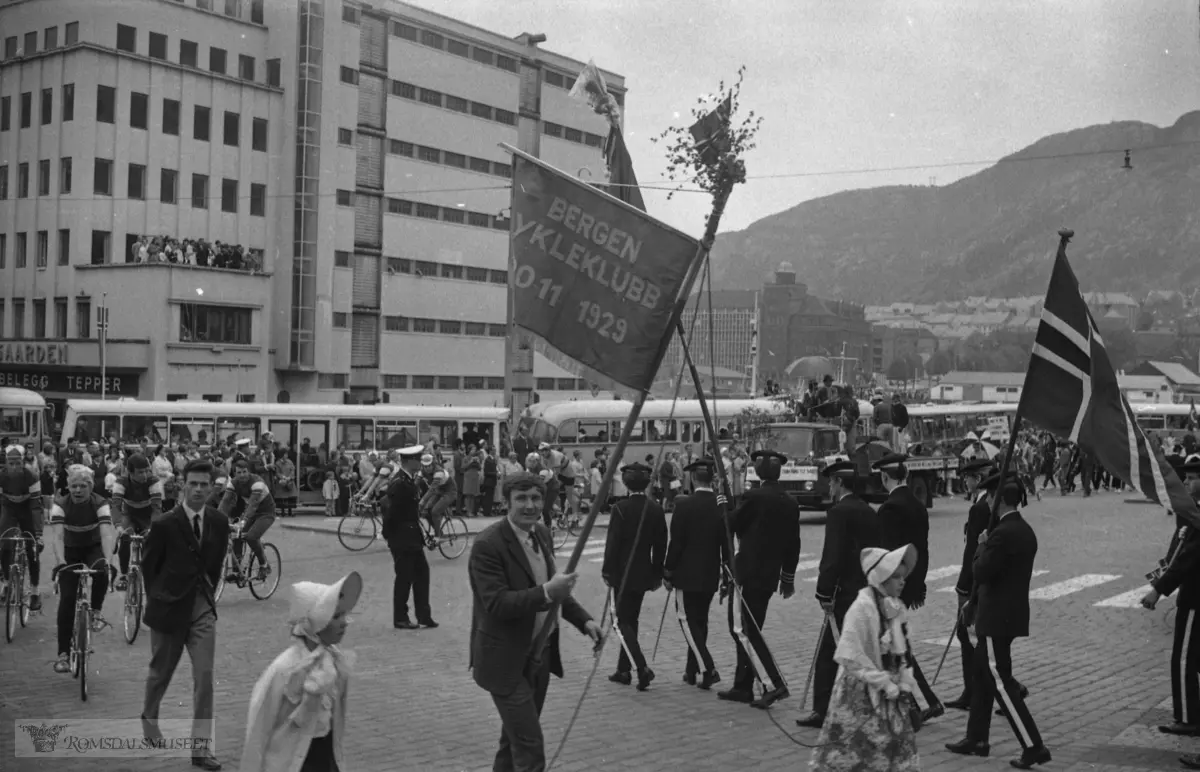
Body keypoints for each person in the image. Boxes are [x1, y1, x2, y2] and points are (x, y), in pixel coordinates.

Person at [468, 471, 602, 771]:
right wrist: (545, 592)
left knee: (514, 740)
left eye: (536, 498)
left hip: (538, 656)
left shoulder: (541, 534)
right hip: (505, 662)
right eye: (521, 499)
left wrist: (584, 621)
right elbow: (497, 603)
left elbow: (556, 591)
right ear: (507, 502)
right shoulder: (488, 545)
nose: (530, 505)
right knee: (529, 747)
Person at [947, 470, 1052, 769]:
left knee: (1000, 682)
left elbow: (981, 572)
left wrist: (982, 544)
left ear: (1000, 500)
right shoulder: (1023, 529)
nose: (988, 502)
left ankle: (1034, 745)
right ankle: (976, 739)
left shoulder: (1002, 534)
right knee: (982, 678)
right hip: (1006, 614)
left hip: (995, 617)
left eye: (991, 497)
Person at [140, 458, 228, 771]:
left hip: (202, 608)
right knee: (160, 672)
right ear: (183, 485)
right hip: (169, 609)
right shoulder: (165, 523)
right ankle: (149, 717)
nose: (199, 490)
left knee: (204, 676)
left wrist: (204, 593)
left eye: (205, 484)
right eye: (194, 483)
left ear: (212, 487)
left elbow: (215, 565)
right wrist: (161, 599)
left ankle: (201, 749)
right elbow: (148, 568)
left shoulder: (218, 521)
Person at [809, 544, 921, 771]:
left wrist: (902, 678)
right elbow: (850, 656)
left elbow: (900, 651)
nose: (902, 582)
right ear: (881, 578)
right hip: (860, 691)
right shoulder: (861, 609)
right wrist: (881, 680)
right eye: (896, 577)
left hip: (889, 690)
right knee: (854, 749)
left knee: (893, 746)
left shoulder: (894, 606)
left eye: (903, 576)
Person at [240, 572, 362, 772]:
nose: (345, 622)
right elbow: (258, 728)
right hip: (290, 762)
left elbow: (336, 724)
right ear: (315, 621)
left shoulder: (335, 662)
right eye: (336, 616)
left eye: (343, 615)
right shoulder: (284, 669)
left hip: (325, 758)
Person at [798, 460, 882, 729]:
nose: (829, 486)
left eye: (832, 482)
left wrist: (824, 590)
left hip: (844, 592)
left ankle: (822, 710)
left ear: (840, 483)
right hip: (866, 589)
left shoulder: (838, 512)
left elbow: (832, 556)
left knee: (829, 653)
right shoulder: (868, 511)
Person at [717, 449, 800, 710]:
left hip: (748, 573)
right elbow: (793, 544)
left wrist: (723, 505)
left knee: (742, 629)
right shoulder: (789, 501)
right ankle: (742, 685)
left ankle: (773, 683)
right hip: (769, 576)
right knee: (750, 629)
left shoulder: (754, 496)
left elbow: (731, 524)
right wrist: (787, 578)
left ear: (758, 472)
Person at [874, 452, 943, 722]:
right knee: (895, 645)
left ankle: (920, 703)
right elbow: (921, 549)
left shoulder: (890, 508)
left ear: (884, 476)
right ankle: (918, 702)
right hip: (910, 581)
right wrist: (918, 582)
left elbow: (888, 555)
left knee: (896, 646)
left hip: (893, 587)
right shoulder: (916, 504)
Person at [1142, 462, 1200, 742]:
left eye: (1191, 479)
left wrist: (1158, 590)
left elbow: (1186, 558)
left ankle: (1188, 719)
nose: (1187, 484)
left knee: (1184, 658)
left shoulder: (1196, 516)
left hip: (1195, 598)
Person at [663, 457, 729, 690]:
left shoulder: (684, 506)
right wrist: (726, 574)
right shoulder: (721, 505)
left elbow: (676, 543)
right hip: (710, 572)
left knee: (687, 621)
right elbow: (726, 544)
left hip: (686, 574)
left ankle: (707, 668)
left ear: (692, 478)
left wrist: (668, 571)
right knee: (699, 621)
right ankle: (691, 670)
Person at [601, 462, 667, 691]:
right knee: (632, 620)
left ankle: (641, 667)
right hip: (644, 571)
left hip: (621, 571)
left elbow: (613, 544)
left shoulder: (620, 508)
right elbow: (661, 546)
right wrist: (658, 572)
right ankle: (623, 669)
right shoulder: (656, 508)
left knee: (619, 621)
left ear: (626, 483)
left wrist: (607, 571)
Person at [46, 465, 114, 673]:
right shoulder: (60, 504)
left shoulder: (100, 503)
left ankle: (95, 612)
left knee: (102, 571)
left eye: (82, 486)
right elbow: (57, 537)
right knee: (67, 600)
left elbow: (105, 535)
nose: (77, 490)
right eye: (73, 486)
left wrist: (109, 561)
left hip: (92, 548)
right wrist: (60, 561)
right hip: (70, 550)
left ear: (90, 487)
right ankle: (63, 654)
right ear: (68, 486)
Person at [948, 459, 995, 712]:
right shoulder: (986, 504)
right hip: (983, 580)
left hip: (974, 582)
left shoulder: (980, 509)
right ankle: (980, 687)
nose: (964, 482)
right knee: (976, 636)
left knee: (967, 635)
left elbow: (972, 552)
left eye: (967, 478)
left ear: (977, 479)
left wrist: (963, 586)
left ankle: (974, 689)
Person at [384, 445, 436, 630]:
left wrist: (422, 537)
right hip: (402, 539)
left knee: (422, 575)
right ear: (410, 461)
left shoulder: (409, 480)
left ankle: (424, 616)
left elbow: (411, 514)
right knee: (404, 577)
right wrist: (391, 537)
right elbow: (391, 512)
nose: (421, 462)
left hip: (411, 537)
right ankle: (400, 618)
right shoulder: (400, 483)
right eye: (418, 459)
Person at [111, 453, 164, 592]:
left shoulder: (153, 481)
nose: (145, 475)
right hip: (130, 515)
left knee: (151, 541)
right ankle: (123, 576)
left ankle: (153, 574)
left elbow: (157, 508)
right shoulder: (121, 482)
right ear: (130, 472)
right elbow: (116, 506)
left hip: (148, 516)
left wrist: (154, 528)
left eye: (147, 470)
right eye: (140, 472)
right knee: (124, 537)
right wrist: (117, 526)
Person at [0, 444, 44, 611]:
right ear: (5, 463)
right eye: (11, 463)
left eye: (17, 463)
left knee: (32, 548)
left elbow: (36, 507)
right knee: (4, 545)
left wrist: (38, 534)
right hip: (8, 508)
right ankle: (5, 582)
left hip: (28, 509)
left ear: (22, 462)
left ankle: (34, 591)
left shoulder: (31, 476)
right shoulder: (1, 476)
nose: (14, 466)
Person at [218, 458, 277, 581]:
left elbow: (252, 504)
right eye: (238, 472)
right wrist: (217, 517)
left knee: (251, 537)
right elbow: (225, 501)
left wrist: (243, 521)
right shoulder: (233, 483)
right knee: (236, 535)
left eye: (244, 472)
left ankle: (264, 565)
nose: (242, 475)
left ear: (249, 471)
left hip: (265, 513)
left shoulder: (257, 482)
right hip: (251, 513)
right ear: (235, 473)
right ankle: (237, 571)